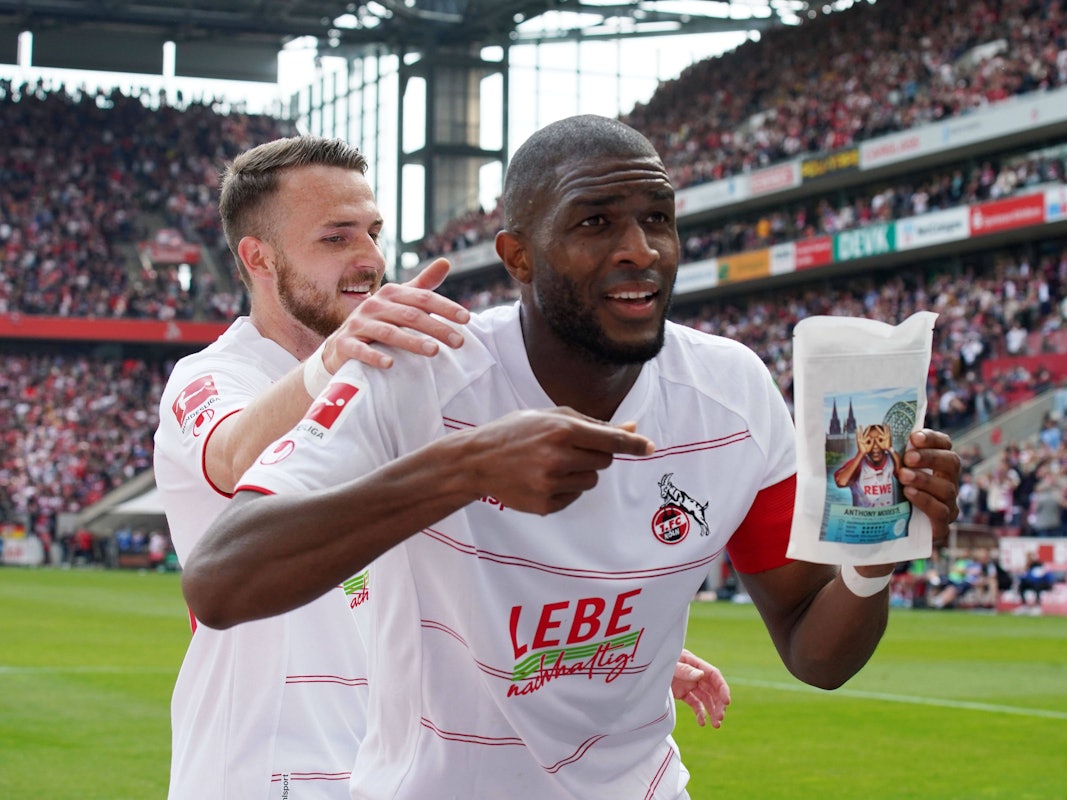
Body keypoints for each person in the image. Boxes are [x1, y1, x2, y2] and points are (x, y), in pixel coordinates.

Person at [183, 116, 960, 798]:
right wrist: (465, 468)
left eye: (658, 218)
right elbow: (220, 578)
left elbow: (813, 650)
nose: (640, 250)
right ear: (518, 256)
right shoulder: (420, 372)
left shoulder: (732, 392)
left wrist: (873, 556)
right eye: (594, 223)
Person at [154, 134, 729, 800]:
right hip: (268, 770)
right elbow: (231, 458)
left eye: (373, 232)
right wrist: (334, 358)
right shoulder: (213, 376)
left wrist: (596, 656)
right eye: (335, 239)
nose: (370, 258)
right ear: (258, 257)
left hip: (393, 766)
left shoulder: (403, 379)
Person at [833, 423, 903, 507]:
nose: (875, 446)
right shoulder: (857, 463)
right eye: (869, 441)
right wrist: (861, 453)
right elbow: (841, 482)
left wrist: (890, 448)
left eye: (880, 440)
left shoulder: (892, 460)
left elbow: (903, 477)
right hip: (863, 516)